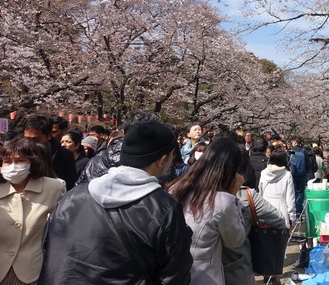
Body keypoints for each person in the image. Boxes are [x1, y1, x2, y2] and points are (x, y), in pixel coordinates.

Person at [38, 120, 193, 284]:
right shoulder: (164, 208)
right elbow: (175, 275)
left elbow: (48, 245)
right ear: (162, 160)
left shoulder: (75, 195)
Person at [168, 138, 247, 285]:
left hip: (172, 273)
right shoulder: (223, 201)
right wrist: (234, 194)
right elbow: (235, 240)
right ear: (232, 169)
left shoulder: (176, 188)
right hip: (204, 276)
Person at [1, 138, 65, 285]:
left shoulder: (54, 188)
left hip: (34, 271)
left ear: (32, 162)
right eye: (7, 161)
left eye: (20, 161)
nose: (13, 166)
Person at [222, 155, 287, 284]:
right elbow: (279, 219)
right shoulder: (246, 195)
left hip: (203, 271)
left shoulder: (196, 193)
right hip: (238, 267)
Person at [20, 114, 77, 191]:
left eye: (36, 139)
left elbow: (70, 184)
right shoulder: (20, 153)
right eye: (27, 139)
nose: (31, 144)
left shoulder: (65, 155)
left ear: (49, 136)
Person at [258, 148, 296, 228]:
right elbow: (290, 198)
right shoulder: (287, 174)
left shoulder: (264, 172)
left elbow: (260, 192)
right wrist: (292, 217)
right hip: (281, 211)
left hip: (265, 210)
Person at [289, 139, 307, 216]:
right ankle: (298, 209)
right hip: (302, 174)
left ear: (295, 142)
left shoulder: (290, 151)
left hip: (292, 174)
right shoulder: (303, 151)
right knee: (300, 191)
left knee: (292, 191)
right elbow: (308, 163)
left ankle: (292, 208)